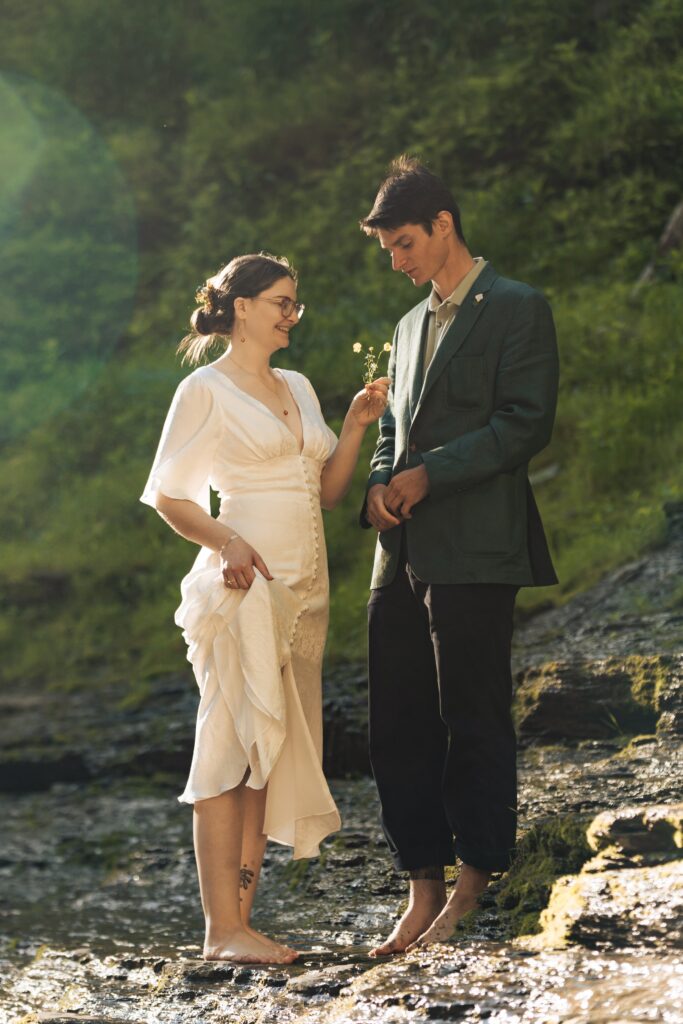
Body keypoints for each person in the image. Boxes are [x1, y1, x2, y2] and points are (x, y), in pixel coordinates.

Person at [141, 252, 388, 964]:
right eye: (280, 301)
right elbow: (171, 496)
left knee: (265, 753)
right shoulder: (204, 390)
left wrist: (352, 428)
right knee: (227, 748)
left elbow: (326, 493)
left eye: (295, 303)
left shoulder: (299, 384)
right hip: (243, 586)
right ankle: (222, 932)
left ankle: (241, 925)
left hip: (304, 596)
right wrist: (229, 543)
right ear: (240, 307)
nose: (291, 314)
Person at [358, 157, 559, 954]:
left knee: (470, 715)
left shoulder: (517, 307)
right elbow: (389, 431)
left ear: (443, 224)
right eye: (388, 252)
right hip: (398, 550)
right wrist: (380, 481)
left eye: (404, 244)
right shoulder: (407, 328)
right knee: (394, 724)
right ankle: (422, 891)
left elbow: (523, 423)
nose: (398, 262)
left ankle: (475, 886)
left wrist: (428, 474)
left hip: (476, 547)